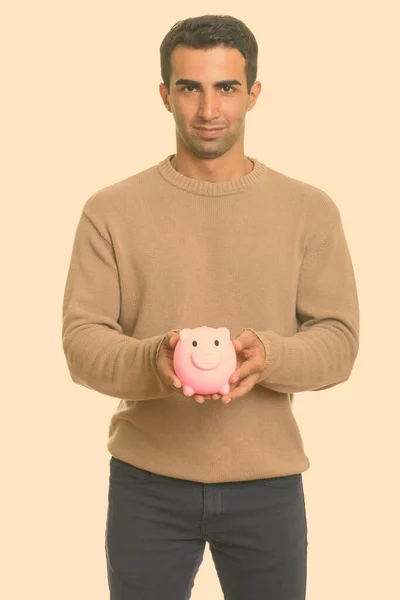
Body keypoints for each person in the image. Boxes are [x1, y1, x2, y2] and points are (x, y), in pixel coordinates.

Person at [62, 13, 360, 600]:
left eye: (226, 87)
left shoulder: (309, 210)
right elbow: (81, 342)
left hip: (268, 484)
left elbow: (340, 340)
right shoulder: (110, 211)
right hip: (147, 484)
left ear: (252, 93)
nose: (208, 109)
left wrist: (267, 356)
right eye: (189, 87)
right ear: (163, 94)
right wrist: (157, 358)